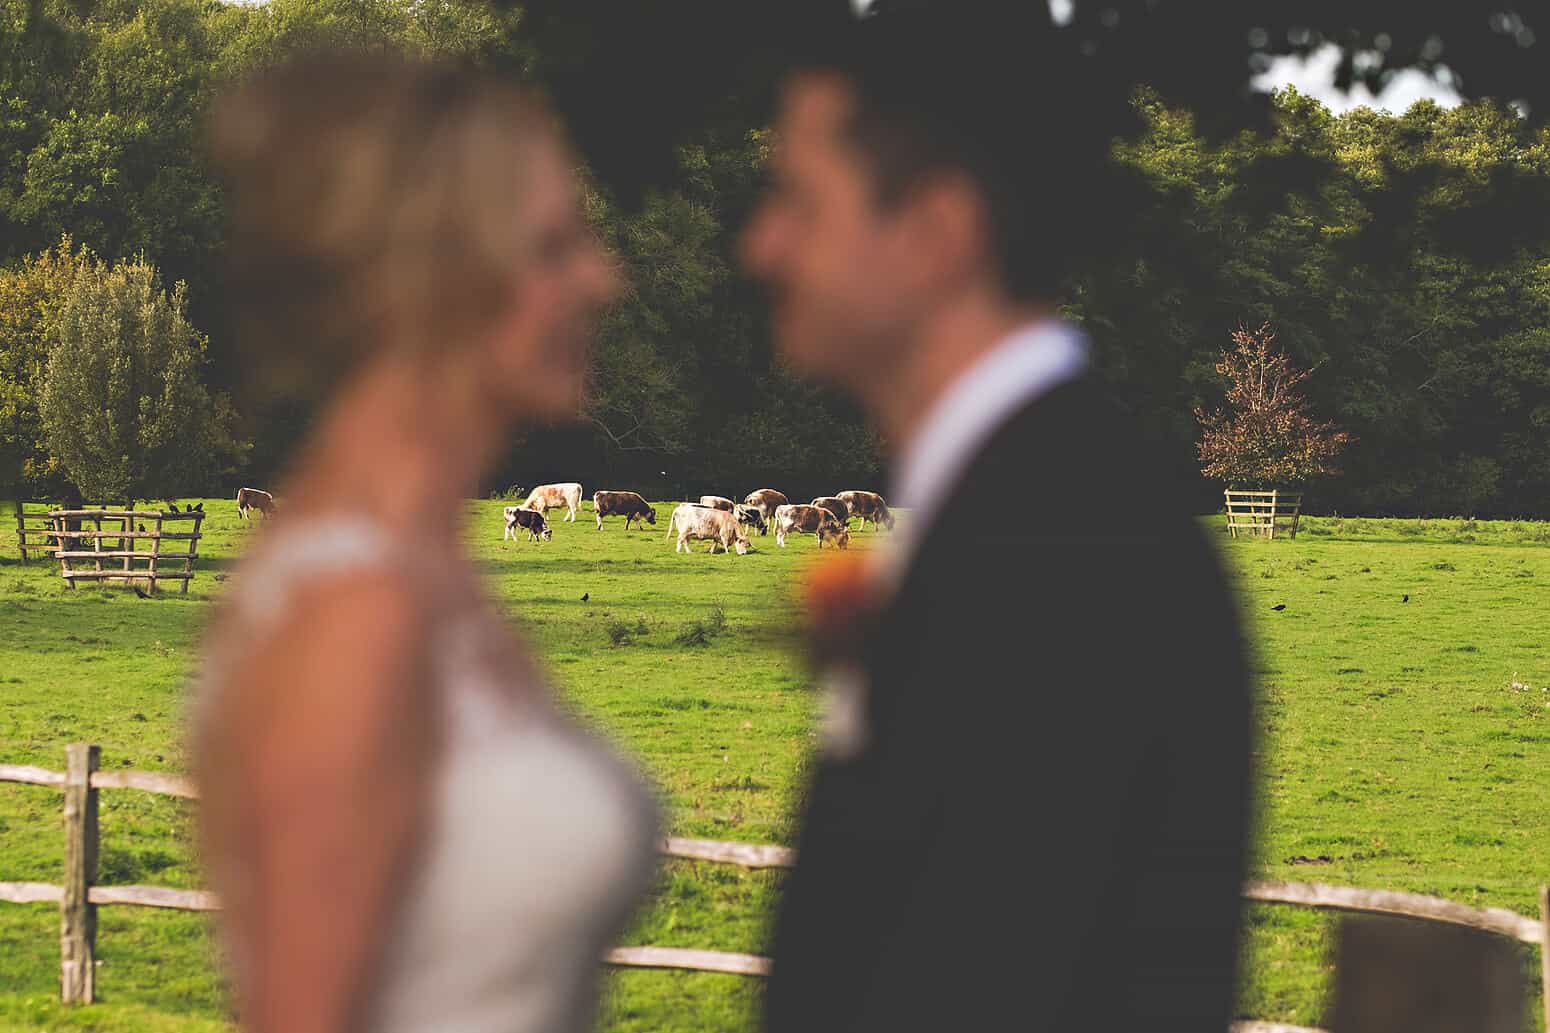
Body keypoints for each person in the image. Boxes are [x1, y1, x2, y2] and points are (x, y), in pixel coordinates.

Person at [739, 3, 1255, 1030]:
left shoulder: (1064, 552)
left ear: (936, 233)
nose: (761, 246)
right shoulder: (1015, 500)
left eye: (799, 200)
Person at [192, 52, 657, 1033]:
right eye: (553, 247)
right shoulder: (357, 616)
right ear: (435, 276)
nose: (601, 280)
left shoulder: (419, 570)